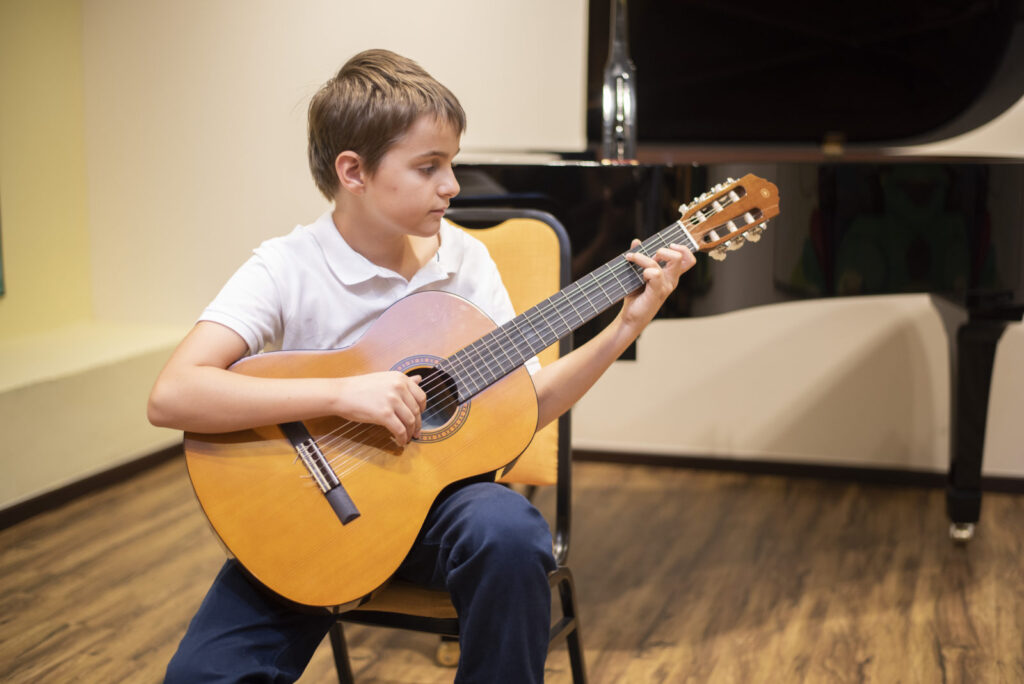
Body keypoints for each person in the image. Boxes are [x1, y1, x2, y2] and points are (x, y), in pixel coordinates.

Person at [148, 48, 695, 683]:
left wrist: (624, 327)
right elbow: (174, 395)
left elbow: (527, 406)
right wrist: (343, 394)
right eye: (428, 166)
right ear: (354, 171)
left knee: (510, 530)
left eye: (452, 163)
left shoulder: (465, 261)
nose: (453, 185)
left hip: (439, 518)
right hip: (309, 515)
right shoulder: (285, 268)